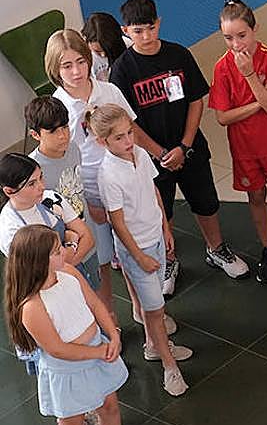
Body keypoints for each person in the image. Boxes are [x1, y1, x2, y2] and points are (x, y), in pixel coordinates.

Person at [4, 224, 148, 425]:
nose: (67, 252)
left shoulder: (68, 273)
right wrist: (97, 351)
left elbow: (95, 304)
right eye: (58, 251)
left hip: (97, 352)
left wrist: (113, 335)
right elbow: (58, 349)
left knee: (109, 405)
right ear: (38, 262)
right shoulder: (31, 307)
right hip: (69, 369)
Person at [111, 0, 249, 294]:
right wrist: (159, 153)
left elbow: (196, 100)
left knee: (206, 201)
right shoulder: (121, 70)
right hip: (151, 157)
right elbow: (126, 123)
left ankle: (216, 249)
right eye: (138, 31)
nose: (146, 36)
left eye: (150, 28)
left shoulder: (179, 55)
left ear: (159, 22)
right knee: (163, 212)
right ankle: (169, 260)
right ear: (125, 31)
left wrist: (184, 146)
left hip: (189, 148)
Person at [47, 28, 156, 328]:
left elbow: (130, 132)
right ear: (55, 69)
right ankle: (108, 319)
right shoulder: (58, 107)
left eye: (81, 62)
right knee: (103, 263)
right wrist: (90, 201)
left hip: (121, 186)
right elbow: (67, 160)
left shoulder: (109, 91)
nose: (76, 71)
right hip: (88, 196)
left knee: (131, 251)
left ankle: (143, 309)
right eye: (66, 66)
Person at [0, 153, 105, 425]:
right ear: (9, 191)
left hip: (69, 286)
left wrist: (67, 251)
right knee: (56, 363)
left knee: (82, 343)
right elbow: (41, 271)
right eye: (31, 183)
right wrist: (70, 242)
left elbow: (87, 237)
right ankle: (73, 421)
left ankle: (89, 406)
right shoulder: (9, 228)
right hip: (42, 301)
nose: (40, 187)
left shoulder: (50, 199)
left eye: (40, 178)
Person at [91, 104, 191, 397]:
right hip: (138, 249)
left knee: (155, 306)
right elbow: (118, 224)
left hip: (156, 239)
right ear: (103, 142)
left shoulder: (141, 155)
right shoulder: (108, 175)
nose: (128, 141)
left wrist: (166, 228)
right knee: (155, 310)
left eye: (129, 133)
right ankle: (169, 367)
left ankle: (153, 346)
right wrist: (139, 256)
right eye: (119, 138)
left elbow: (153, 191)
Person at [209, 0, 267, 283]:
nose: (235, 44)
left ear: (255, 30)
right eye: (228, 38)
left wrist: (250, 76)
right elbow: (222, 117)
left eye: (241, 36)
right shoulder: (221, 67)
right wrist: (258, 102)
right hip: (243, 149)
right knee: (256, 196)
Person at [25, 96, 100, 291]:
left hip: (86, 234)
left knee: (96, 289)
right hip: (61, 249)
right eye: (53, 131)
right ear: (35, 134)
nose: (63, 135)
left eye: (65, 127)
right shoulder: (32, 170)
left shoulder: (74, 148)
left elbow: (79, 186)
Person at [81, 11, 130, 82]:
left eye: (109, 50)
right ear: (85, 39)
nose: (103, 55)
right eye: (97, 51)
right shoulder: (83, 58)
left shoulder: (127, 44)